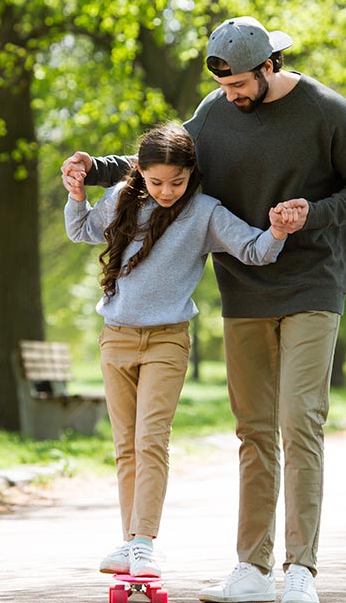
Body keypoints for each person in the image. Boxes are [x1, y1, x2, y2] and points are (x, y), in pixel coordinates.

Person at [62, 16, 346, 603]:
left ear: (270, 67)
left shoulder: (326, 110)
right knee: (254, 429)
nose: (231, 96)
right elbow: (162, 157)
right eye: (225, 86)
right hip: (244, 286)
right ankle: (252, 565)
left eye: (240, 84)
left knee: (299, 421)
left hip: (313, 283)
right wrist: (96, 171)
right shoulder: (217, 110)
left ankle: (301, 568)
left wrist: (309, 215)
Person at [64, 124, 302, 579]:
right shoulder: (121, 200)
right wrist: (77, 193)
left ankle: (143, 543)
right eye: (156, 182)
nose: (167, 191)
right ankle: (131, 541)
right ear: (141, 173)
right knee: (125, 446)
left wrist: (276, 231)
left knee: (151, 439)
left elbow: (255, 251)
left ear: (192, 174)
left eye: (177, 181)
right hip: (115, 337)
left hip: (167, 339)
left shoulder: (205, 212)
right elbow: (81, 231)